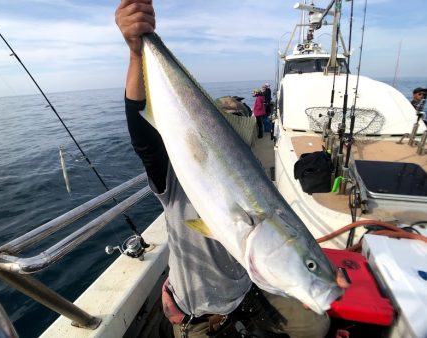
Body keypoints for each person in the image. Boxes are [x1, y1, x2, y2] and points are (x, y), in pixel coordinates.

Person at [115, 1, 349, 337]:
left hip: (248, 294)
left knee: (317, 325)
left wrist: (318, 276)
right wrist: (138, 53)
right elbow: (142, 134)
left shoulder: (255, 182)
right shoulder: (173, 179)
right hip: (198, 313)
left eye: (234, 116)